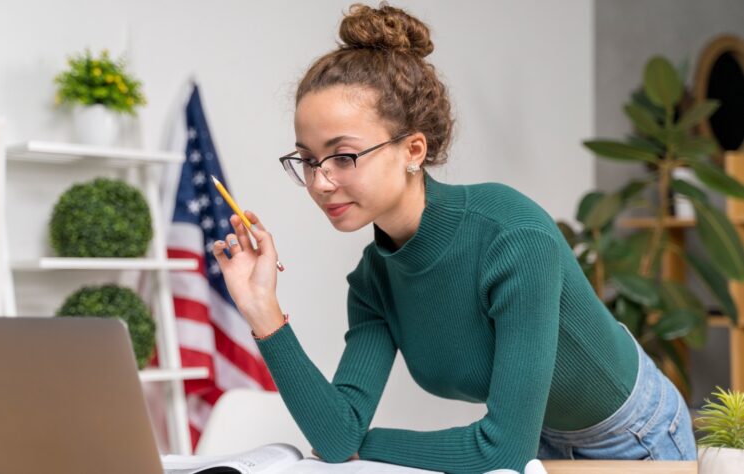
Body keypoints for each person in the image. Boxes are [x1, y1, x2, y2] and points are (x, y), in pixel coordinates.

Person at [211, 3, 696, 473]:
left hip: (633, 439)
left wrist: (367, 444)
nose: (320, 181)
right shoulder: (373, 280)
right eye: (309, 160)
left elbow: (501, 450)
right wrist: (263, 311)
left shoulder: (512, 236)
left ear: (413, 150)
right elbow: (338, 437)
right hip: (542, 439)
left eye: (343, 156)